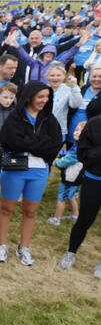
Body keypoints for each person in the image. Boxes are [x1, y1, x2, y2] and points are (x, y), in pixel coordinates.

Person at [0, 81, 62, 266]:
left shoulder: (50, 119)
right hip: (14, 167)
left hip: (39, 171)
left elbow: (55, 145)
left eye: (47, 97)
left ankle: (23, 248)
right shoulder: (15, 117)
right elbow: (9, 142)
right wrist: (40, 143)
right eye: (40, 97)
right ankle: (1, 245)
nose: (44, 100)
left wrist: (27, 143)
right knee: (6, 208)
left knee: (30, 211)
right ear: (30, 96)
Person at [58, 99, 101, 277]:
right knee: (85, 219)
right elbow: (83, 154)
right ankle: (71, 252)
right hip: (94, 179)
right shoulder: (94, 124)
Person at [48, 122, 85, 226]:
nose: (77, 132)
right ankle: (75, 216)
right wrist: (62, 153)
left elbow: (68, 160)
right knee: (71, 196)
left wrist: (57, 162)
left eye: (81, 131)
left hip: (70, 178)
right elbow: (67, 154)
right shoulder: (79, 145)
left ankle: (57, 219)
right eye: (77, 130)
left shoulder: (78, 148)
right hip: (76, 177)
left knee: (61, 198)